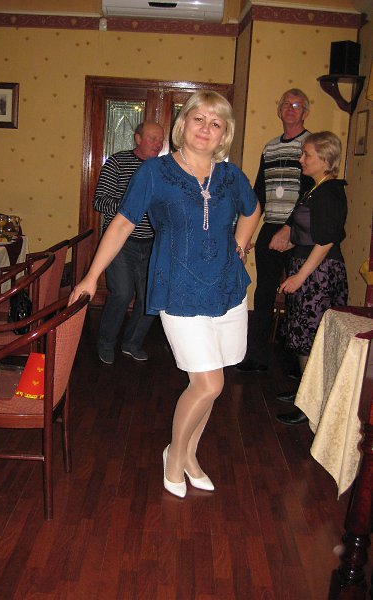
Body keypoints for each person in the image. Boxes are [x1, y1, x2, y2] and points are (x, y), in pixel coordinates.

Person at [73, 90, 261, 498]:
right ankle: (174, 456)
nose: (206, 128)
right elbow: (122, 223)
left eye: (216, 123)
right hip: (178, 287)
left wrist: (240, 247)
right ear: (183, 123)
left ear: (224, 134)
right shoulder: (155, 172)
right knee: (209, 384)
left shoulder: (231, 176)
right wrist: (91, 276)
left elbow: (252, 210)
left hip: (226, 289)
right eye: (199, 118)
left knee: (212, 381)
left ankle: (191, 454)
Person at [270, 132, 348, 424]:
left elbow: (326, 240)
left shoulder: (329, 192)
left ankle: (310, 406)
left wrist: (301, 277)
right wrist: (290, 242)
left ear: (325, 159)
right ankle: (305, 391)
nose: (301, 159)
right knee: (303, 334)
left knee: (310, 338)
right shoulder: (317, 189)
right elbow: (310, 231)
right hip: (310, 268)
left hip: (320, 274)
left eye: (307, 155)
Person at [236, 89, 313, 373]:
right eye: (285, 104)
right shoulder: (269, 148)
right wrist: (247, 233)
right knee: (264, 293)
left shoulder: (311, 145)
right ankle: (256, 357)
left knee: (298, 296)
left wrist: (291, 229)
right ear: (279, 110)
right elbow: (259, 193)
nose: (290, 109)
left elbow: (310, 195)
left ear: (305, 112)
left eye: (296, 105)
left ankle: (297, 363)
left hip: (300, 231)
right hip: (271, 227)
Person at [93, 121, 164, 365]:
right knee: (122, 294)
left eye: (160, 139)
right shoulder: (117, 162)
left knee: (150, 298)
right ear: (137, 138)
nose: (158, 144)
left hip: (152, 244)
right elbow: (99, 201)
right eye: (152, 138)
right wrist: (131, 207)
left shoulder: (163, 169)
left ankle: (132, 343)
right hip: (121, 244)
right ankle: (105, 343)